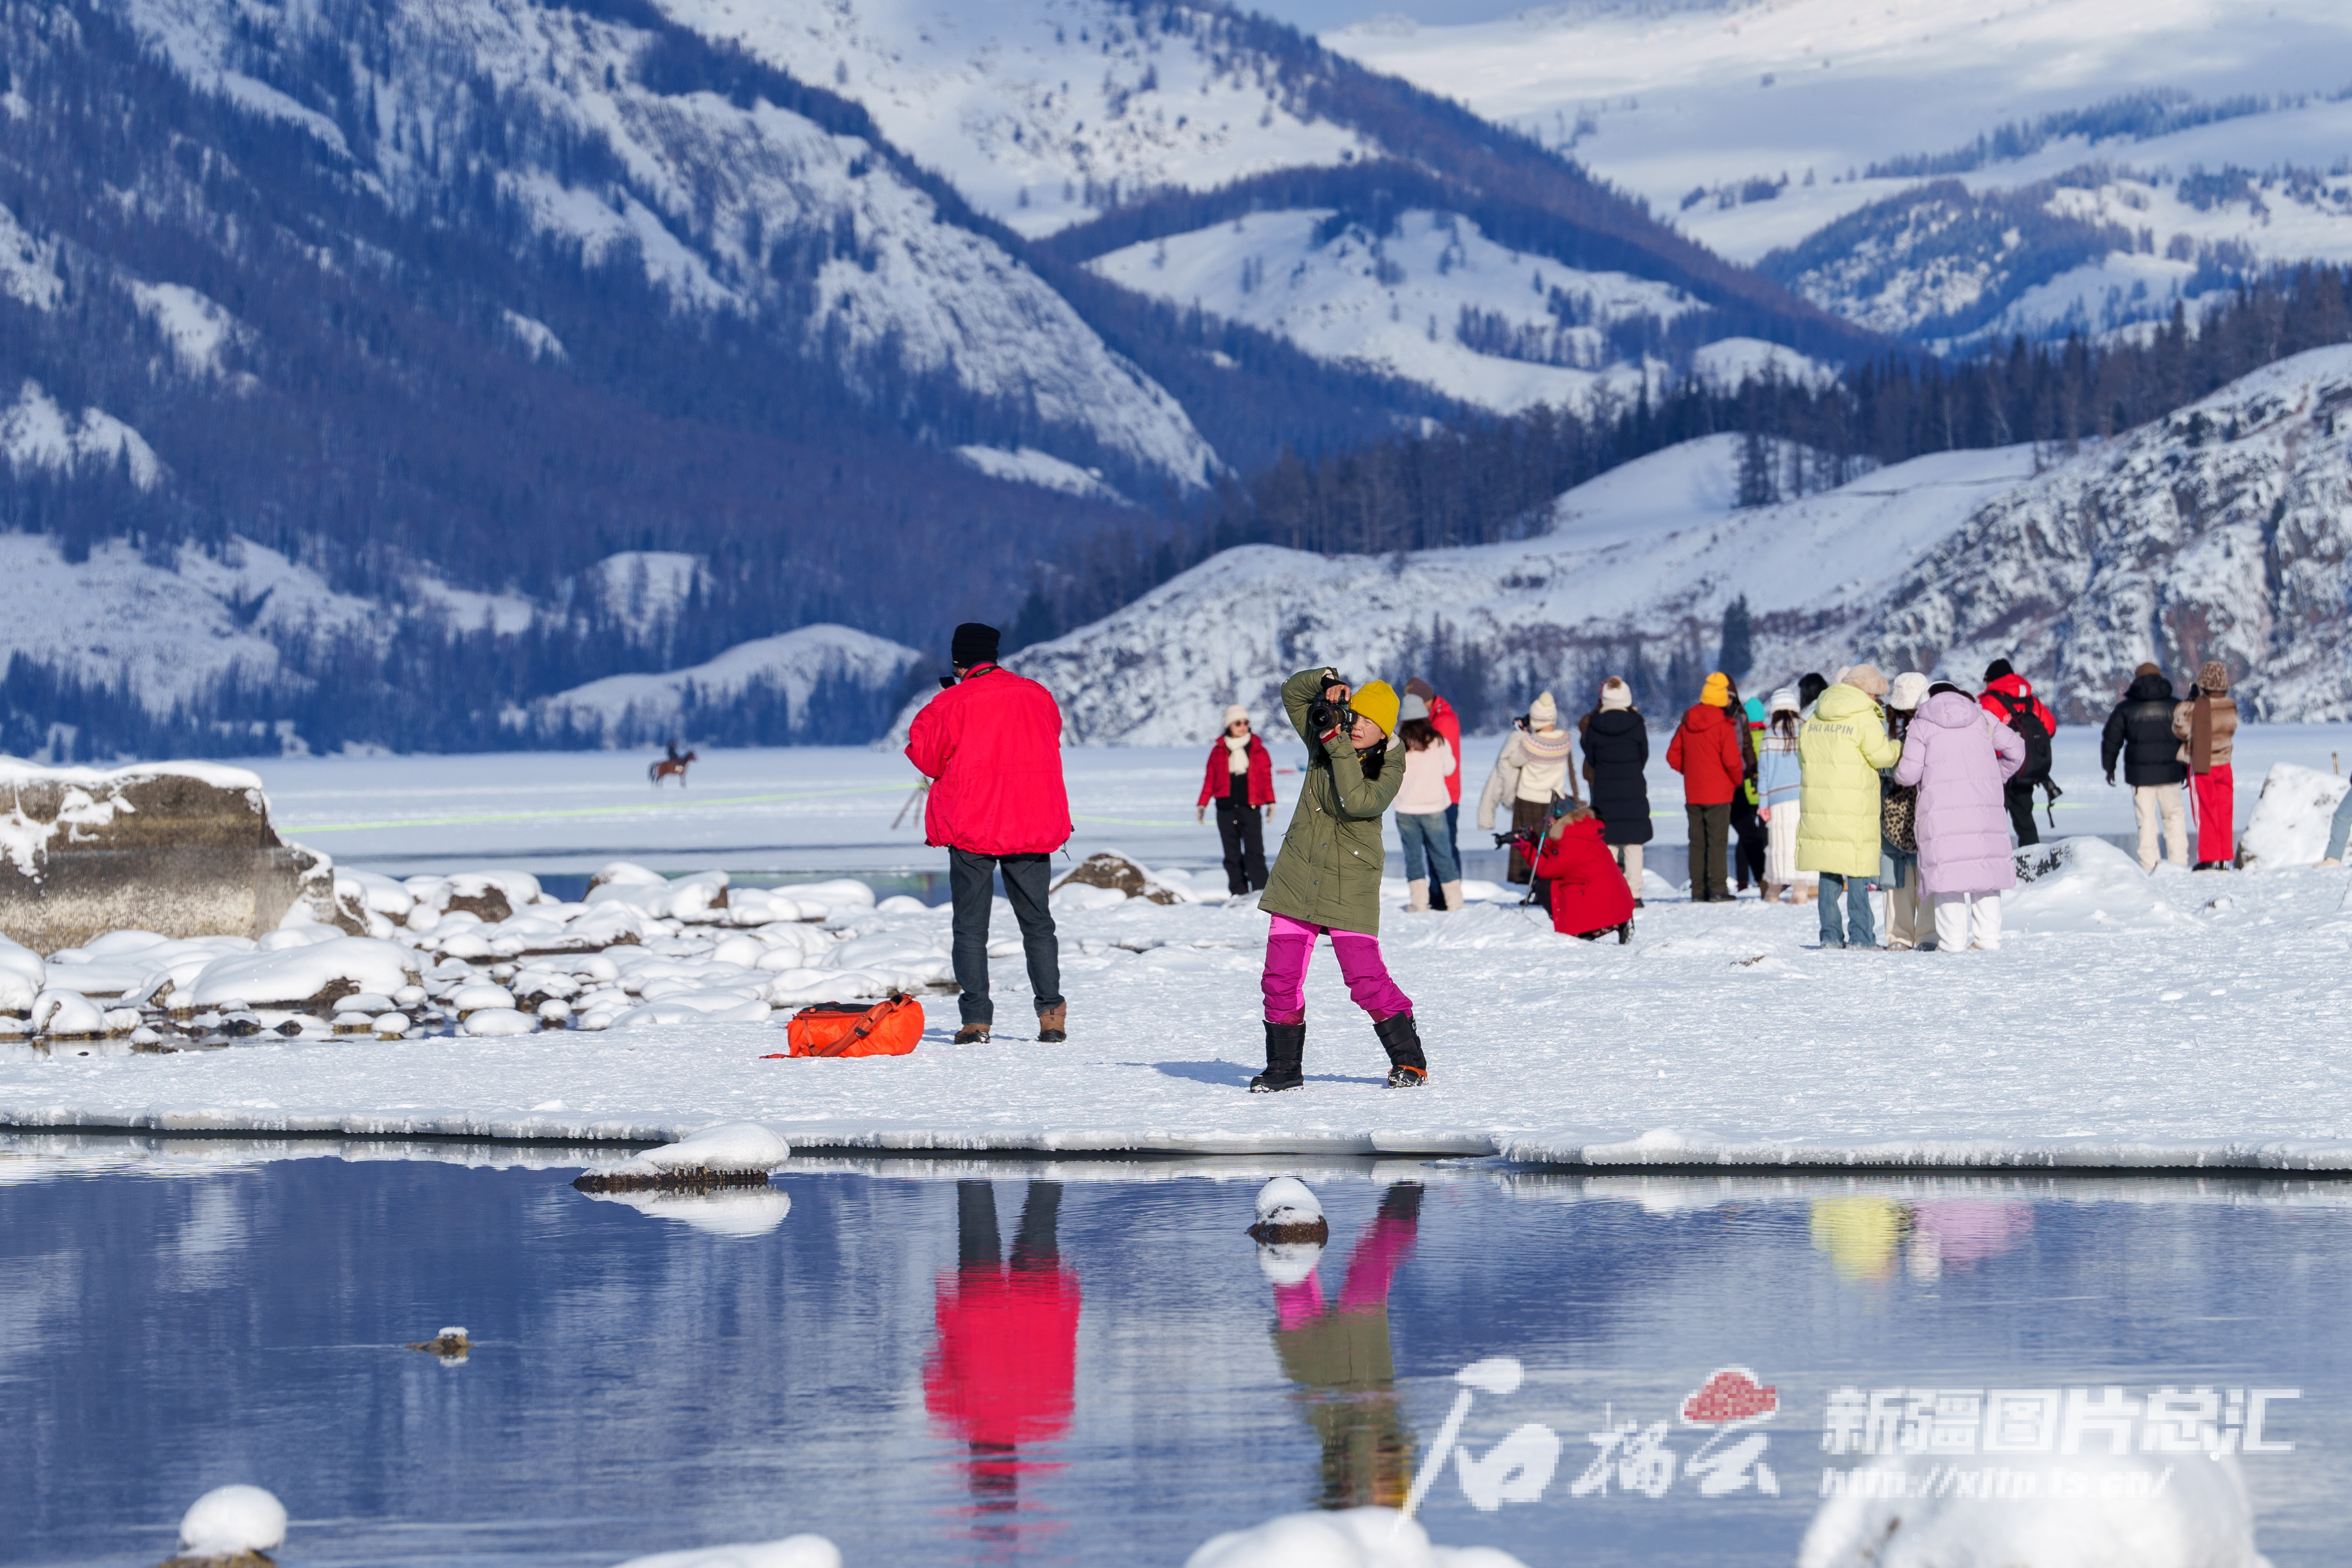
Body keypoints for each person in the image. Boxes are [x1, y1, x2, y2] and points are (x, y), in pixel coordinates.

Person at [1254, 668, 1425, 1091]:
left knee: (1365, 981)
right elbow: (1291, 693)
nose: (1358, 726)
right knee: (1279, 979)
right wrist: (1326, 682)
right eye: (1355, 716)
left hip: (1351, 883)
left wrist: (1337, 744)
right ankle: (1284, 1070)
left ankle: (1410, 1060)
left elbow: (1358, 801)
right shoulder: (1325, 737)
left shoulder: (1390, 766)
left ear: (1385, 733)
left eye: (1370, 721)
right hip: (1298, 875)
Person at [905, 622, 1072, 1044]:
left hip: (972, 823)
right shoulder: (1037, 695)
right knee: (1038, 923)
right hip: (1032, 820)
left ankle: (977, 1021)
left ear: (958, 662)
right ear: (994, 655)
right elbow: (1050, 736)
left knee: (971, 928)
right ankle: (1051, 1016)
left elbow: (926, 757)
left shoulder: (951, 701)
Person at [924, 1180, 1080, 1527]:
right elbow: (933, 1370)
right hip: (979, 1306)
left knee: (1042, 1213)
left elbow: (1065, 1352)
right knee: (976, 1211)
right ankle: (974, 1153)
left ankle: (1051, 1157)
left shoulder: (1050, 1416)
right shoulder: (955, 1415)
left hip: (1041, 1304)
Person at [1262, 1183, 1422, 1510]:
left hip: (1316, 1364)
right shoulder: (1390, 1463)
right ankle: (1405, 1193)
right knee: (1372, 1270)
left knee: (1294, 1279)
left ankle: (1288, 1189)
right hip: (1362, 1364)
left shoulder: (1343, 1481)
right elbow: (1392, 1446)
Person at [1896, 680, 2025, 950]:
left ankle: (1952, 943)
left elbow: (1908, 775)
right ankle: (1988, 940)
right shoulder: (1983, 717)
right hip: (1984, 809)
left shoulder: (1921, 724)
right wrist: (1995, 776)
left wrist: (1896, 773)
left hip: (1941, 813)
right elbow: (2017, 751)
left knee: (1948, 877)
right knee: (1986, 875)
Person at [1798, 664, 1899, 948]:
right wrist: (1900, 748)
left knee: (1828, 870)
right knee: (1857, 870)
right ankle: (1861, 937)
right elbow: (1881, 756)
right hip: (1854, 805)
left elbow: (1803, 756)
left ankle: (1830, 936)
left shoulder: (1817, 714)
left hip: (1820, 805)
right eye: (1876, 695)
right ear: (1867, 692)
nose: (1877, 700)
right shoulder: (1864, 716)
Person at [1478, 691, 1575, 888]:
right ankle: (1547, 886)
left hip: (1528, 799)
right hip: (1553, 803)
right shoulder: (1565, 740)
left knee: (1528, 845)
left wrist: (1522, 734)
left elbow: (1514, 760)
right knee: (1549, 847)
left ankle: (1530, 883)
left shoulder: (1531, 743)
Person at [2100, 662, 2189, 873]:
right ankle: (2178, 865)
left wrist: (2109, 768)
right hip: (2171, 773)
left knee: (2146, 822)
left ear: (2137, 679)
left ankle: (2150, 868)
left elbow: (2111, 740)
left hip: (2140, 777)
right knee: (2174, 818)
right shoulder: (2176, 706)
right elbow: (2188, 738)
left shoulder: (2125, 709)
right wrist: (2187, 768)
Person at [1666, 671, 1744, 902]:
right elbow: (1732, 762)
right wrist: (1736, 780)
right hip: (1719, 794)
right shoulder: (1724, 725)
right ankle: (1718, 889)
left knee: (1697, 842)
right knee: (1717, 842)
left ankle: (1698, 891)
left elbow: (1672, 757)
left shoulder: (1687, 723)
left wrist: (1691, 772)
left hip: (1694, 793)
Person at [1578, 676, 1652, 905]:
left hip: (1605, 788)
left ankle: (1608, 891)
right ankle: (1635, 894)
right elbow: (1644, 754)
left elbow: (1591, 756)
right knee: (1634, 843)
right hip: (1633, 787)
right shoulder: (1636, 723)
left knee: (1607, 842)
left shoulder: (1595, 724)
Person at [1197, 704, 1276, 896]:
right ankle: (1238, 894)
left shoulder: (1259, 750)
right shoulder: (1218, 751)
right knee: (1231, 855)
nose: (1243, 726)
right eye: (1238, 723)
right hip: (1225, 808)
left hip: (1251, 807)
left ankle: (1260, 893)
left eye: (1246, 723)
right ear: (1229, 725)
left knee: (1255, 852)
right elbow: (1210, 779)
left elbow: (1266, 779)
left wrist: (1271, 802)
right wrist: (1202, 804)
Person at [1392, 694, 1461, 913]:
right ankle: (1455, 902)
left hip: (1405, 808)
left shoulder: (1397, 744)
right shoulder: (1438, 741)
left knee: (1413, 857)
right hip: (1434, 807)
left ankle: (1419, 903)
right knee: (1443, 856)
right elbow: (1450, 768)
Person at [1979, 658, 2059, 847]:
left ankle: (1995, 861)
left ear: (1993, 680)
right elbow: (2050, 728)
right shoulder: (2032, 701)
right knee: (2025, 822)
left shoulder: (1989, 702)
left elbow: (1981, 737)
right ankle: (2032, 860)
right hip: (2027, 771)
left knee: (1993, 823)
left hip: (2001, 772)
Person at [1880, 671, 1930, 950]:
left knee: (1896, 875)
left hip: (1892, 808)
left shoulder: (1887, 728)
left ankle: (1899, 936)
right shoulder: (1933, 726)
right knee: (1927, 870)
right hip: (1926, 806)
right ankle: (1929, 935)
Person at [1532, 804, 1635, 941]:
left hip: (1596, 892)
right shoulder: (1581, 831)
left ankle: (1585, 931)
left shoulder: (1571, 839)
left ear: (1562, 820)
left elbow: (1547, 871)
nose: (1550, 825)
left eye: (1551, 821)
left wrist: (1526, 846)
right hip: (1616, 895)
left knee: (1545, 887)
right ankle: (1617, 923)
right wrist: (1534, 842)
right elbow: (1557, 852)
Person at [2173, 660, 2238, 869]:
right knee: (2224, 812)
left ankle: (2209, 858)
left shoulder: (2198, 707)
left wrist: (2188, 703)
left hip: (2203, 766)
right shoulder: (2231, 706)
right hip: (2224, 765)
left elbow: (2180, 728)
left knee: (2206, 811)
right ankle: (2223, 858)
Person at [1755, 687, 1809, 904]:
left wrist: (1763, 803)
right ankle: (1800, 891)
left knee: (1779, 845)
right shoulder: (1806, 728)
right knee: (1801, 843)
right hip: (1804, 796)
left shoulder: (1770, 734)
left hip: (1777, 800)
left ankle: (1774, 891)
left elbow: (1764, 773)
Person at [1729, 687, 1767, 893]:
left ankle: (1742, 880)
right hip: (1763, 795)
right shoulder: (1769, 737)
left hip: (1744, 792)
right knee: (1764, 836)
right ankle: (1766, 876)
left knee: (1744, 838)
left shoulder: (1741, 738)